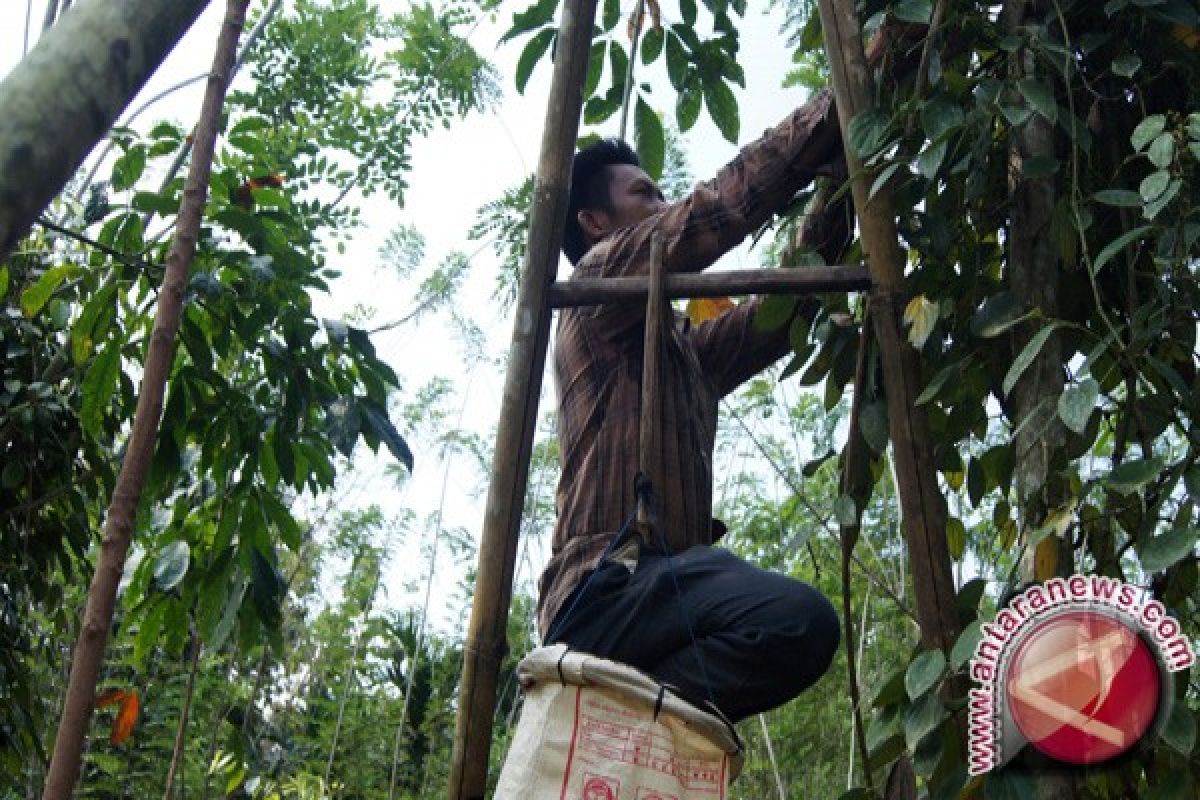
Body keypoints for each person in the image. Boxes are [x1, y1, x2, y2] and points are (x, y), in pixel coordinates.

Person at [536, 88, 848, 723]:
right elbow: (711, 213)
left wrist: (839, 186)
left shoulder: (683, 354)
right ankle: (628, 701)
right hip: (605, 587)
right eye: (644, 195)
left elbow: (781, 311)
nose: (663, 205)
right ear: (595, 223)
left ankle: (621, 706)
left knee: (801, 629)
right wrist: (831, 115)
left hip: (659, 595)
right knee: (796, 620)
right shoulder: (595, 283)